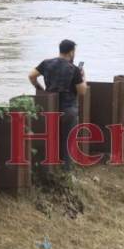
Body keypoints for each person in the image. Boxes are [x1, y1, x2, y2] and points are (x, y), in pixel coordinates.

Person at [29, 39, 87, 170]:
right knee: (67, 141)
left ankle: (47, 168)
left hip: (50, 108)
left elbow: (31, 76)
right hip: (68, 110)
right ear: (71, 52)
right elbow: (82, 91)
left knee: (49, 138)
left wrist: (40, 89)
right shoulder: (74, 69)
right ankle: (66, 171)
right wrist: (83, 77)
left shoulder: (46, 63)